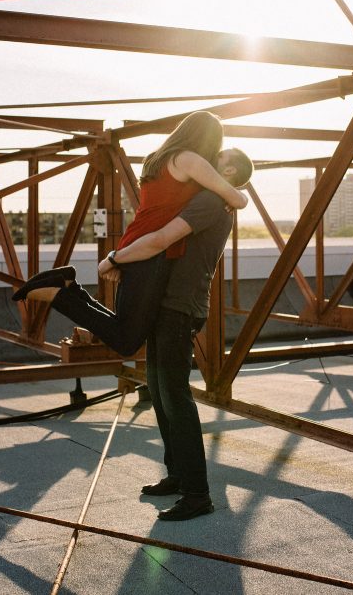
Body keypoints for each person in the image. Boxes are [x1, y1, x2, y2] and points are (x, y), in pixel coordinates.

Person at [98, 148, 254, 521]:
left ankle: (198, 494)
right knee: (162, 392)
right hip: (169, 305)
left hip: (179, 308)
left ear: (228, 170)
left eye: (218, 156)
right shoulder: (210, 199)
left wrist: (116, 258)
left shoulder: (210, 201)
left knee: (175, 397)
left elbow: (162, 239)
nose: (208, 157)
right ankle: (178, 475)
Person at [11, 111, 247, 357]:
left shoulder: (157, 159)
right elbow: (236, 199)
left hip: (137, 240)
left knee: (124, 327)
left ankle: (69, 288)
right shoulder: (191, 160)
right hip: (150, 251)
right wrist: (114, 258)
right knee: (127, 340)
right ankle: (60, 294)